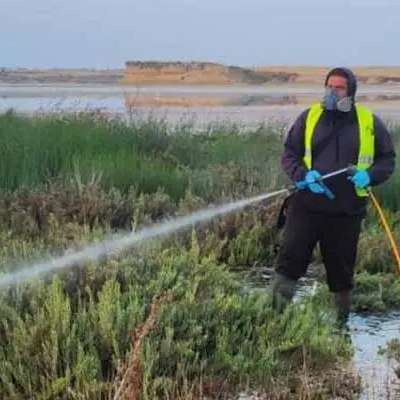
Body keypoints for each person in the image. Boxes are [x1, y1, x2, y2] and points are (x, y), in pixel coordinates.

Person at [271, 67, 396, 328]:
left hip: (346, 213)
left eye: (339, 88)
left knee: (341, 274)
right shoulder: (310, 117)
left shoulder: (369, 122)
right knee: (288, 265)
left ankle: (340, 329)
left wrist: (368, 176)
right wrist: (302, 175)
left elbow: (387, 161)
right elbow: (290, 153)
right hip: (306, 207)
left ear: (351, 92)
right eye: (329, 86)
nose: (332, 92)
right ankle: (274, 324)